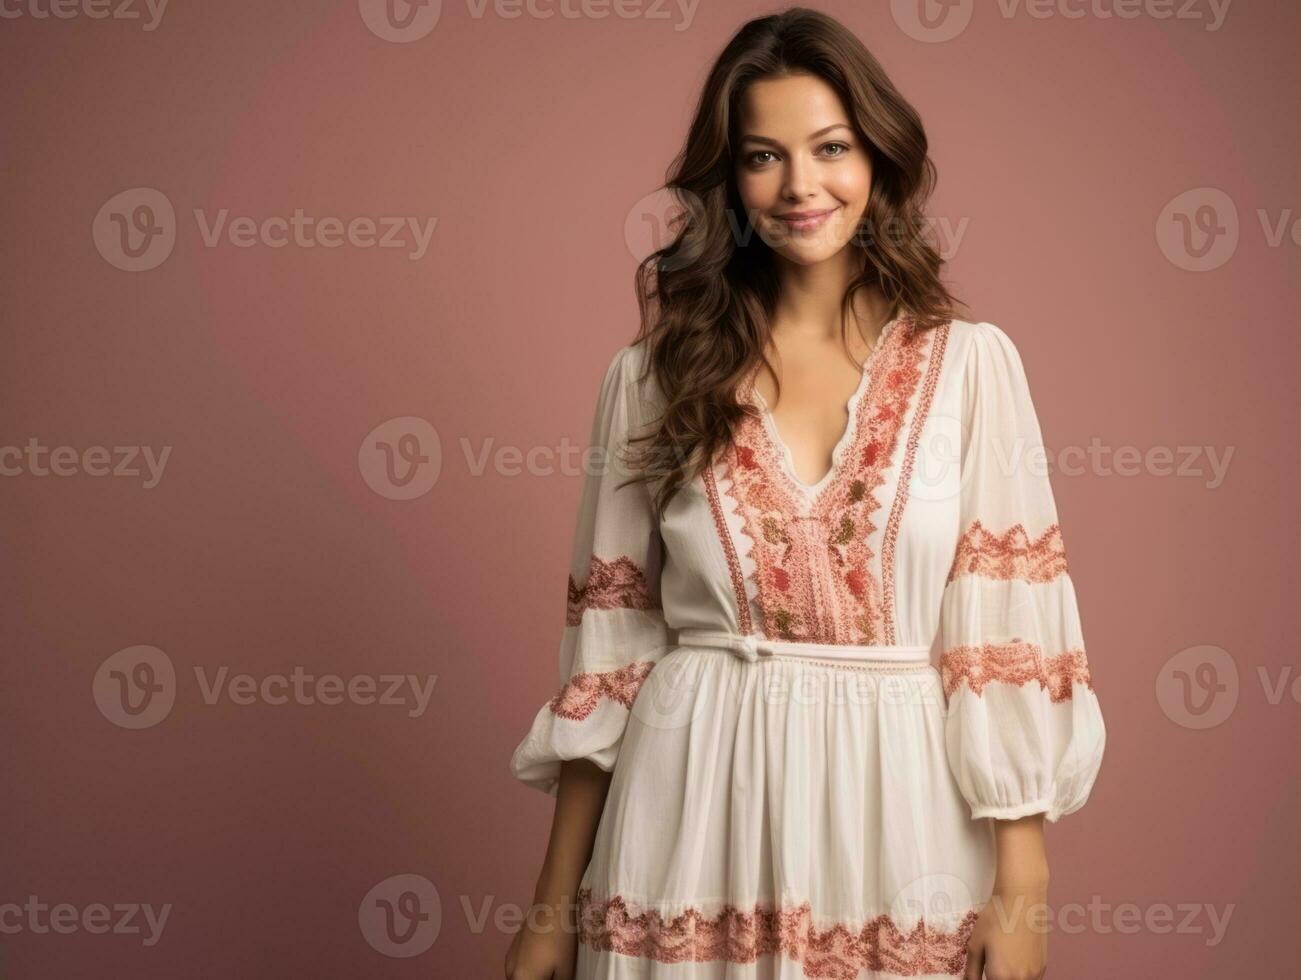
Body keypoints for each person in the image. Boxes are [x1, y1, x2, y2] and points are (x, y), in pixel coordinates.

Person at [505, 8, 1106, 979]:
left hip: (899, 813)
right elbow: (606, 651)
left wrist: (1021, 888)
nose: (799, 185)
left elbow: (1007, 636)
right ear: (727, 181)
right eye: (761, 156)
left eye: (829, 147)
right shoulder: (650, 377)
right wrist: (547, 908)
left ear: (877, 159)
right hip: (689, 810)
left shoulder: (970, 368)